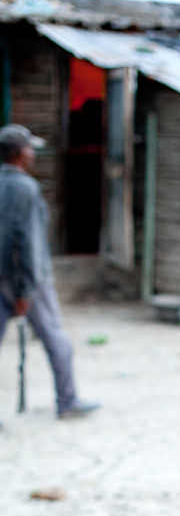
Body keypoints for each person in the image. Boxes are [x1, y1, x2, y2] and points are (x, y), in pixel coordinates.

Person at [0, 124, 100, 418]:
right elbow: (26, 243)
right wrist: (24, 290)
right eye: (29, 148)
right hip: (29, 279)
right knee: (56, 340)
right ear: (19, 154)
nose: (33, 153)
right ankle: (67, 402)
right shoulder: (25, 189)